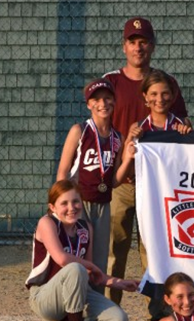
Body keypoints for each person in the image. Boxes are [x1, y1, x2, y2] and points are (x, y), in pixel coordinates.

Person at [102, 17, 189, 309]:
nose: (138, 47)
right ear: (124, 46)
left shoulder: (166, 84)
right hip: (121, 180)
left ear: (152, 46)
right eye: (132, 41)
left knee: (154, 249)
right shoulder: (112, 82)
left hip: (157, 185)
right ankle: (107, 310)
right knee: (115, 248)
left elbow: (183, 127)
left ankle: (159, 310)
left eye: (144, 42)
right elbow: (101, 129)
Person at [25, 180, 141, 321]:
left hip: (77, 292)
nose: (71, 207)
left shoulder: (85, 228)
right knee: (75, 268)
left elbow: (92, 274)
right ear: (52, 207)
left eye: (76, 201)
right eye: (64, 203)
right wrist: (91, 266)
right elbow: (62, 258)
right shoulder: (47, 222)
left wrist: (120, 283)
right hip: (45, 296)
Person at [55, 79, 133, 275]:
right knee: (75, 254)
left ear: (114, 102)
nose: (103, 104)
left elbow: (114, 181)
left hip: (103, 204)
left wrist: (129, 159)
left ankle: (95, 301)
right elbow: (63, 172)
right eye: (96, 100)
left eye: (107, 99)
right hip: (78, 203)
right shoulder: (79, 131)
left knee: (98, 260)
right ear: (89, 104)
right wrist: (61, 205)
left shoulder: (118, 138)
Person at [130, 70, 192, 136]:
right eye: (154, 94)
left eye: (165, 94)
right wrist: (130, 138)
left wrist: (187, 135)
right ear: (146, 97)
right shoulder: (137, 127)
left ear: (172, 95)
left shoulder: (183, 123)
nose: (160, 99)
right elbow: (127, 146)